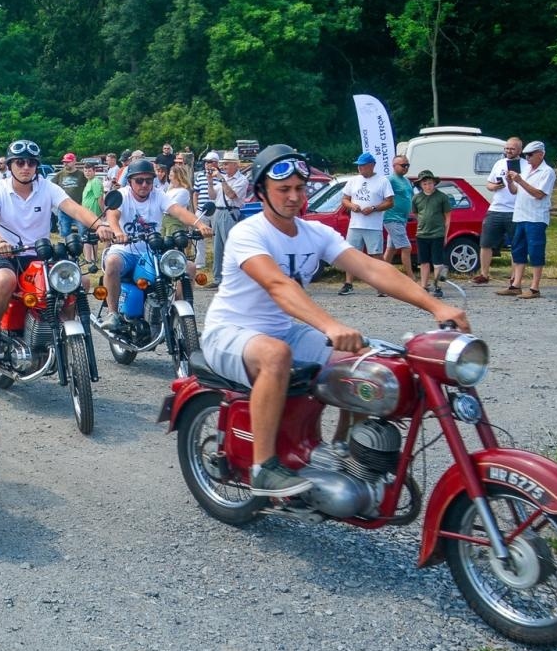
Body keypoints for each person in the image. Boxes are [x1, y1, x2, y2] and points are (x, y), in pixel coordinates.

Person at [200, 145, 469, 497]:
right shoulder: (248, 233)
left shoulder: (316, 234)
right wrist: (329, 325)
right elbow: (278, 285)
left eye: (300, 188)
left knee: (367, 365)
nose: (295, 197)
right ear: (262, 191)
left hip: (285, 332)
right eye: (284, 190)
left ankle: (342, 454)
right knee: (275, 354)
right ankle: (263, 467)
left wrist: (436, 307)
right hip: (230, 332)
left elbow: (372, 268)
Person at [0, 139, 117, 357]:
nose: (26, 167)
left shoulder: (47, 187)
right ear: (11, 165)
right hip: (8, 254)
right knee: (5, 280)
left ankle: (64, 331)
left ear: (36, 166)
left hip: (40, 255)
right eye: (20, 162)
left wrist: (100, 225)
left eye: (31, 163)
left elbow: (76, 209)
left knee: (80, 282)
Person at [100, 159, 210, 336]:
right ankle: (112, 313)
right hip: (125, 251)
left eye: (148, 181)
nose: (144, 184)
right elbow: (113, 214)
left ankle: (181, 315)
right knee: (112, 262)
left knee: (188, 267)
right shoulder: (122, 195)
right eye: (139, 180)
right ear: (130, 181)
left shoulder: (158, 195)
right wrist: (117, 232)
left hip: (152, 252)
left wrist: (199, 225)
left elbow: (178, 211)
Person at [499, 140, 555, 299]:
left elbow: (539, 194)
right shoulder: (526, 169)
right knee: (518, 250)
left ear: (540, 154)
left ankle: (535, 287)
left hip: (536, 217)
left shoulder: (547, 172)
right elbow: (516, 191)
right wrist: (510, 182)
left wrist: (519, 180)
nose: (527, 158)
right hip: (521, 215)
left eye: (530, 155)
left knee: (536, 251)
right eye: (526, 155)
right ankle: (516, 284)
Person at [337, 152, 393, 295]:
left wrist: (374, 208)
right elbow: (344, 199)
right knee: (351, 254)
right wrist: (352, 206)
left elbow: (389, 202)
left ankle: (382, 285)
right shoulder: (353, 180)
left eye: (363, 166)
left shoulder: (382, 181)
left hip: (373, 225)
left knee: (376, 255)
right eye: (359, 166)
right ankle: (348, 283)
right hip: (355, 224)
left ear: (371, 165)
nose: (360, 168)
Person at [475, 137, 522, 284]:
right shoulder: (499, 163)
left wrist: (512, 182)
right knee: (486, 242)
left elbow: (521, 188)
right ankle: (484, 274)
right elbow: (489, 184)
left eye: (512, 149)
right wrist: (494, 186)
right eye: (506, 148)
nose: (508, 151)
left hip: (515, 210)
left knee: (516, 244)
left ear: (519, 150)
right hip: (496, 208)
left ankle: (514, 276)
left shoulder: (525, 166)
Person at [207, 150, 249, 290]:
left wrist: (221, 179)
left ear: (235, 165)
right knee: (217, 248)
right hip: (218, 213)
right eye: (223, 164)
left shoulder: (242, 180)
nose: (224, 167)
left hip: (230, 213)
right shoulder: (222, 179)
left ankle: (236, 278)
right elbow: (213, 196)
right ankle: (218, 278)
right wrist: (210, 182)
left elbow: (231, 195)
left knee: (230, 247)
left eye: (226, 164)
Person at [410, 171, 453, 294]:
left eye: (430, 183)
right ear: (421, 185)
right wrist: (421, 224)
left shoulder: (442, 197)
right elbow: (416, 214)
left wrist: (445, 234)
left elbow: (448, 217)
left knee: (437, 261)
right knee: (423, 261)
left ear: (434, 183)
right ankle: (424, 285)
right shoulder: (416, 198)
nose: (428, 186)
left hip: (437, 234)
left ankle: (437, 286)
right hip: (422, 234)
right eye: (424, 184)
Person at [381, 156, 416, 285]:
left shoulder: (406, 181)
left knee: (391, 249)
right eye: (403, 165)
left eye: (407, 165)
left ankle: (381, 276)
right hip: (392, 218)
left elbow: (409, 198)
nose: (406, 168)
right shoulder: (389, 180)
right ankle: (411, 278)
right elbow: (382, 195)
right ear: (394, 165)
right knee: (406, 248)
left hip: (402, 219)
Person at [162, 162, 198, 285]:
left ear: (177, 176)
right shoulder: (170, 189)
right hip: (165, 219)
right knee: (163, 243)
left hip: (174, 220)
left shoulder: (183, 191)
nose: (169, 177)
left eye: (171, 175)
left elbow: (171, 206)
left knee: (172, 244)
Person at [51, 154, 86, 238]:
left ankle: (82, 249)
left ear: (74, 162)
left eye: (68, 162)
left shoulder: (82, 175)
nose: (65, 164)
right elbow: (50, 187)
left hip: (78, 208)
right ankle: (66, 249)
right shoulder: (59, 174)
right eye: (64, 162)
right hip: (63, 209)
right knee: (64, 232)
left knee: (82, 232)